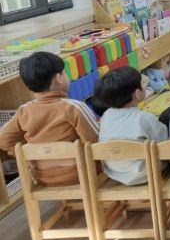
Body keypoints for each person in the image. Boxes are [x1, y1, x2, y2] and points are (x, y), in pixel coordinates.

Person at [0, 52, 99, 186]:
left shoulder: (24, 111)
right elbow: (94, 142)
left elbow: (4, 139)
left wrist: (26, 158)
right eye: (65, 73)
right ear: (58, 78)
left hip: (41, 177)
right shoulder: (74, 107)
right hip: (79, 174)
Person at [94, 67, 168, 185]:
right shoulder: (144, 118)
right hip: (147, 172)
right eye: (142, 84)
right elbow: (164, 142)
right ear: (137, 94)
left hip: (115, 173)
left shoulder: (106, 116)